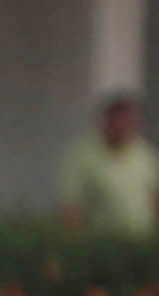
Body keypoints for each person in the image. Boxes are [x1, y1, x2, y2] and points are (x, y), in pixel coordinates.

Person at [68, 92, 159, 236]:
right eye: (120, 121)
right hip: (102, 245)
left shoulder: (146, 154)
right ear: (107, 120)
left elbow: (155, 199)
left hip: (141, 243)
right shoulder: (83, 156)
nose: (125, 127)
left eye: (131, 121)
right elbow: (72, 206)